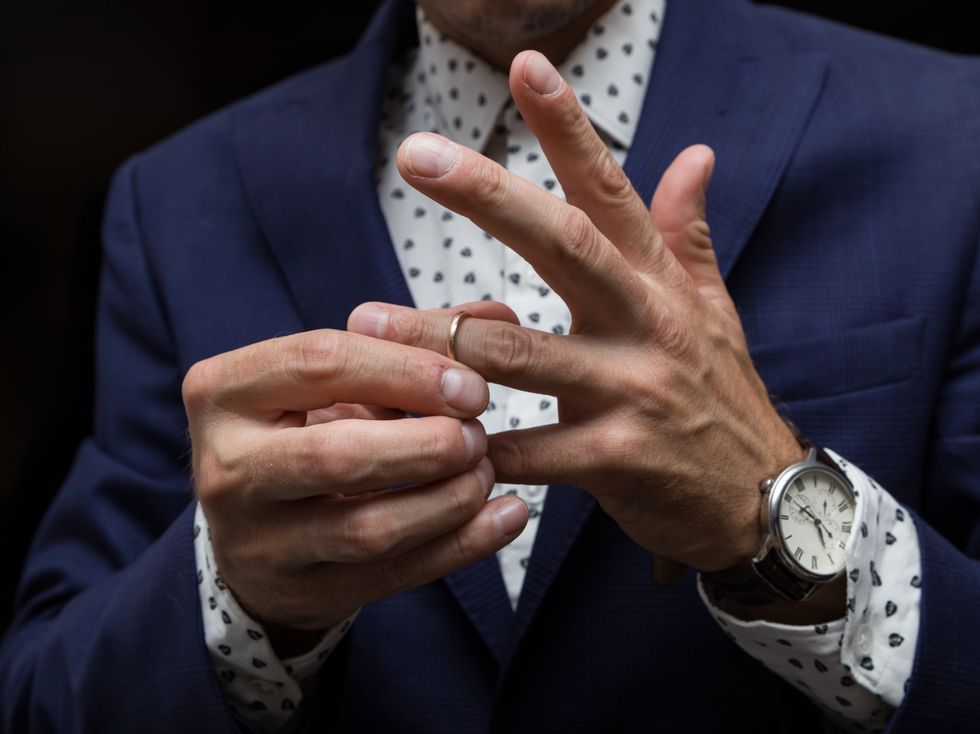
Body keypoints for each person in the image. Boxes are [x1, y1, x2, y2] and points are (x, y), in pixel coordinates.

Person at [2, 0, 979, 730]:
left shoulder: (950, 141)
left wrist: (775, 510)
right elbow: (43, 699)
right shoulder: (174, 200)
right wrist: (236, 595)